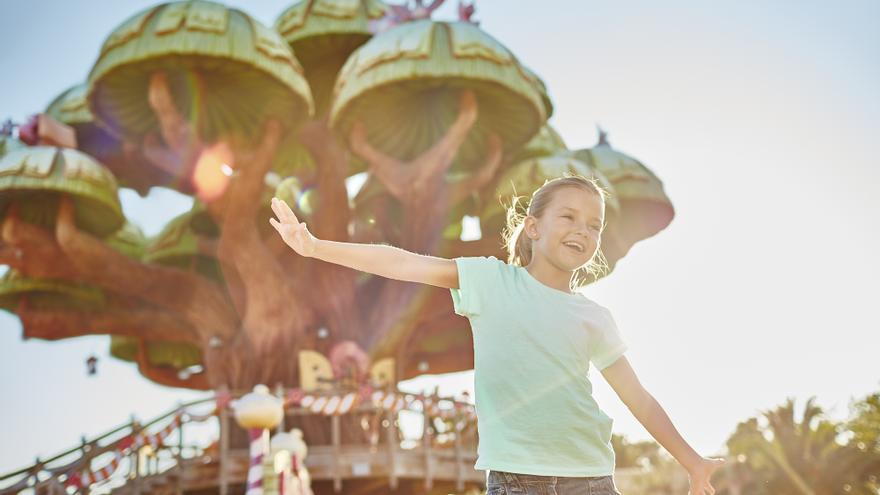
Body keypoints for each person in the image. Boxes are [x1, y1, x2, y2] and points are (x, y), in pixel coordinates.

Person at [269, 175, 724, 495]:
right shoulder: (491, 282)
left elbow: (637, 397)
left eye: (594, 225)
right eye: (568, 216)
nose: (582, 231)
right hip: (514, 481)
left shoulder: (594, 317)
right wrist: (314, 247)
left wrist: (691, 460)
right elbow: (403, 262)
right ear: (533, 226)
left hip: (590, 478)